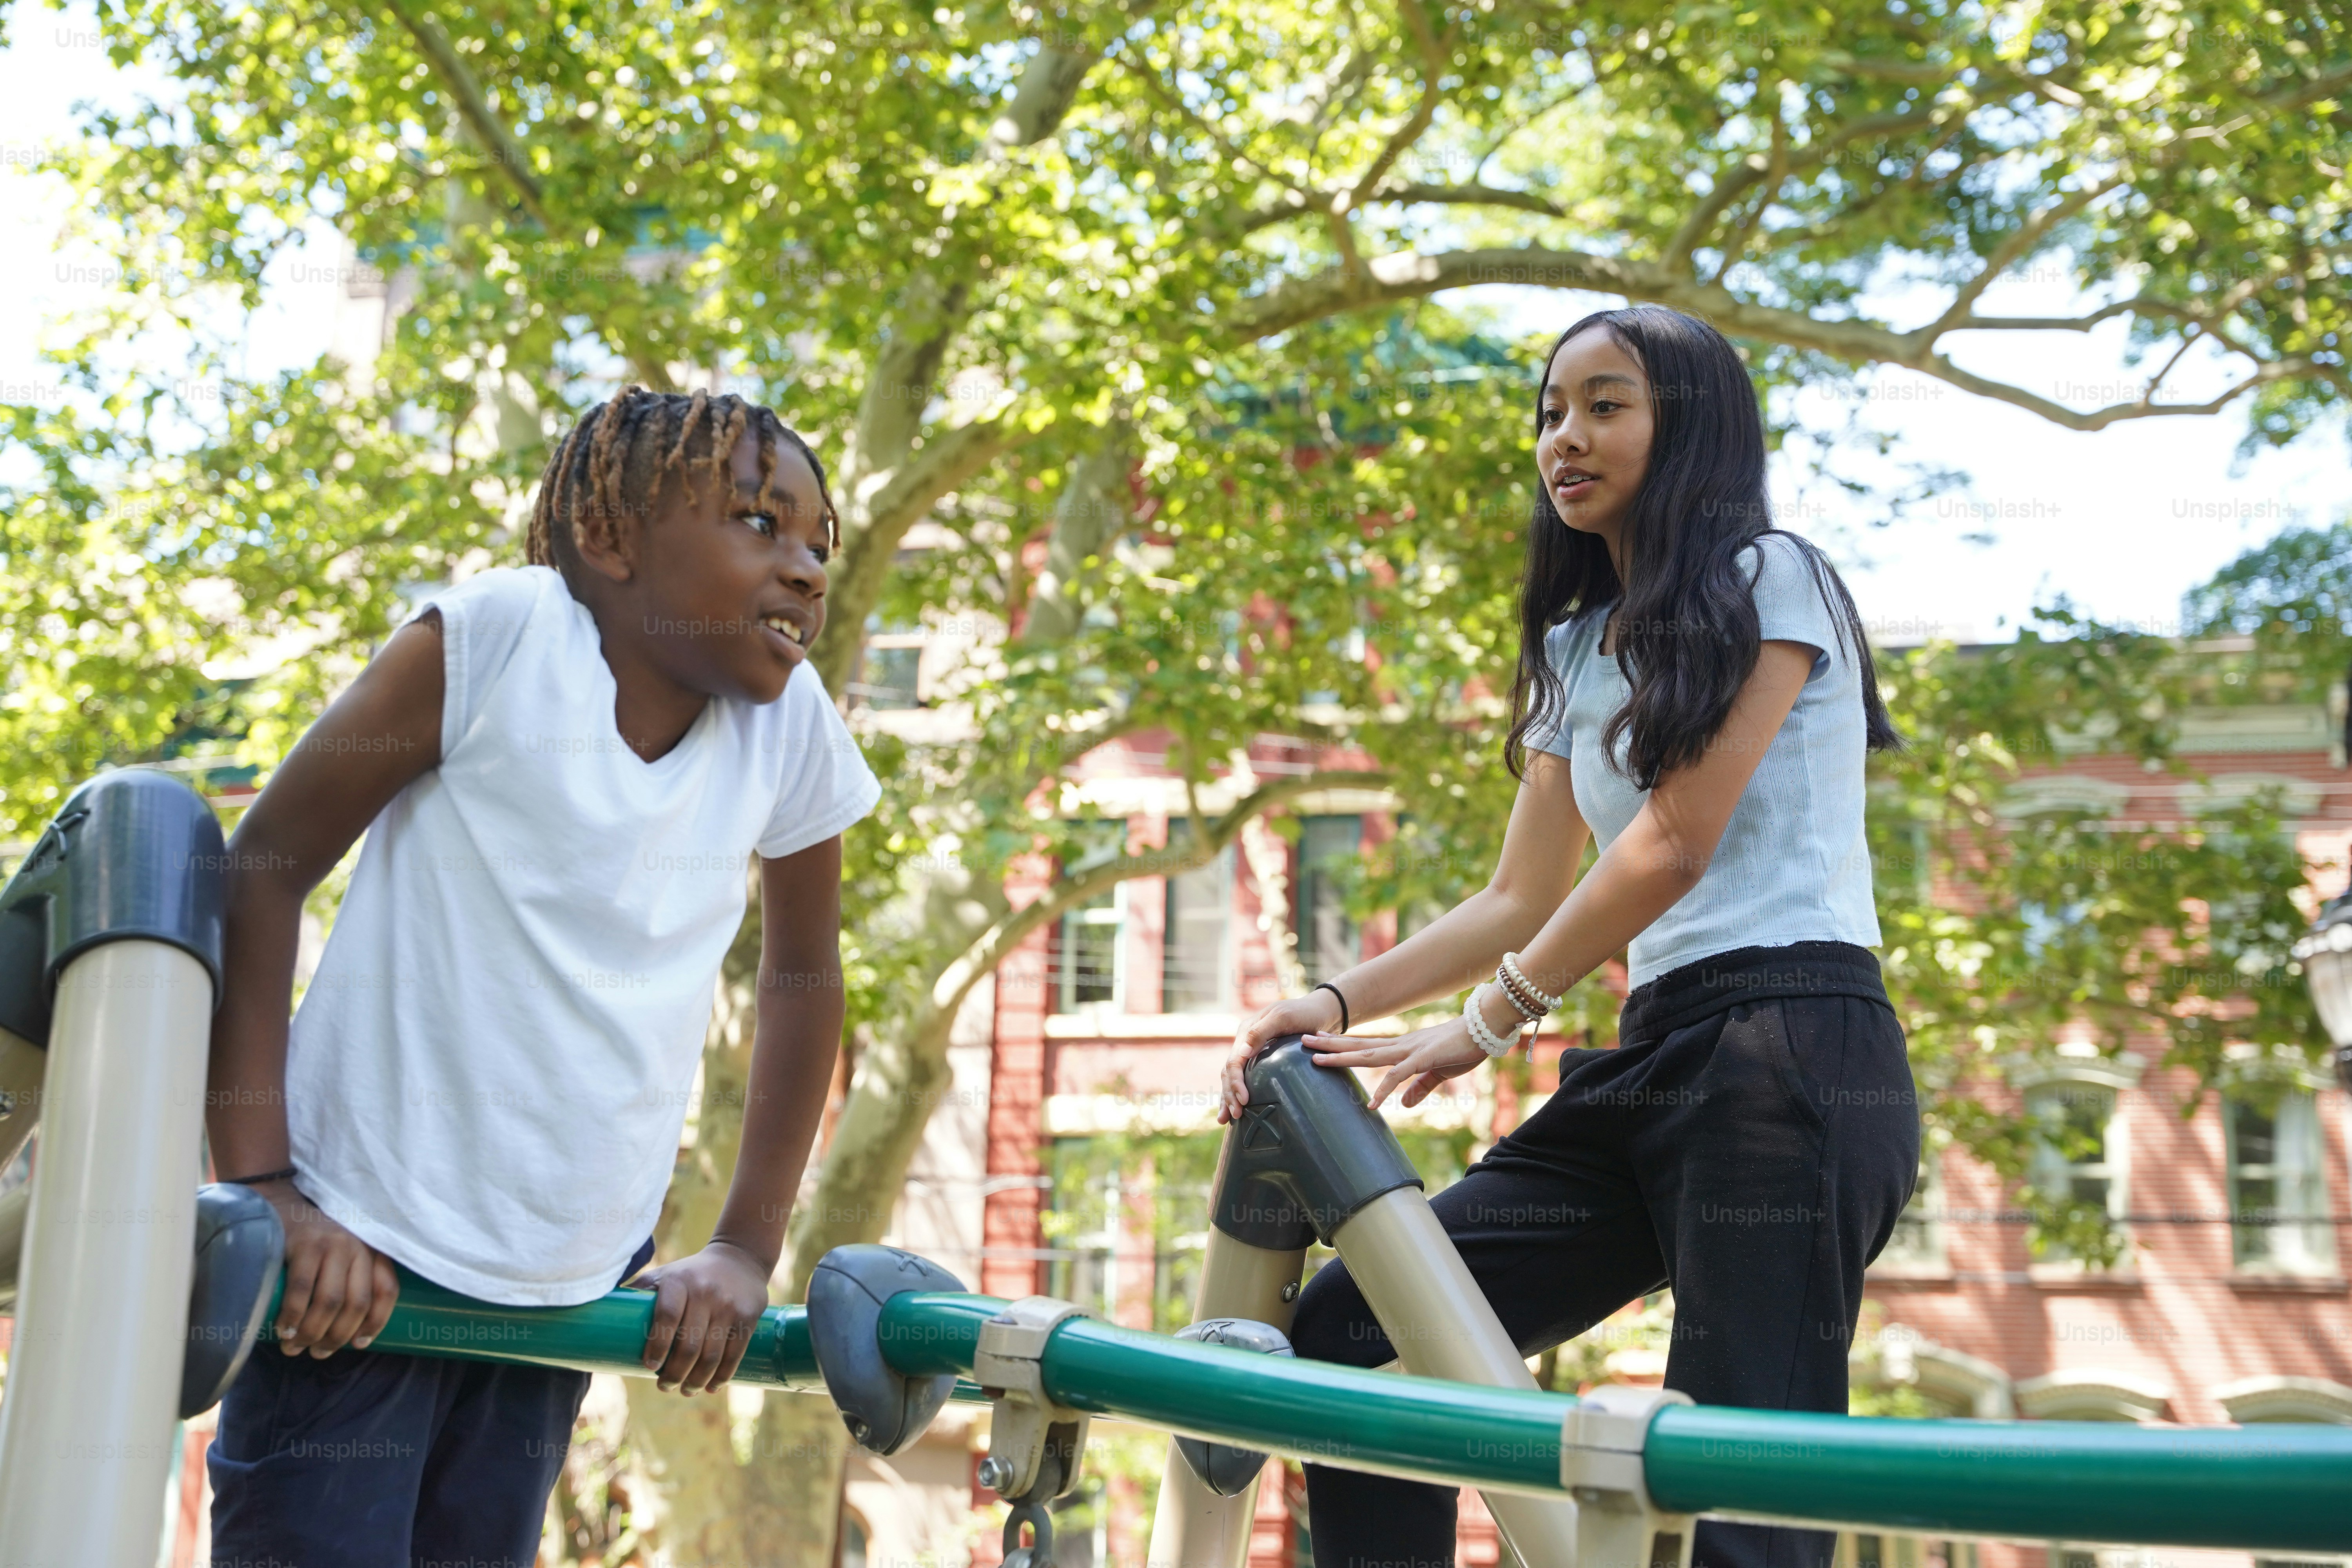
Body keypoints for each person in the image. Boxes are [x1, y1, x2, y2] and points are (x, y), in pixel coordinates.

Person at [1218, 305, 1920, 1568]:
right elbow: (1517, 895)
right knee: (1357, 1331)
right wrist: (1334, 1001)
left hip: (1791, 1046)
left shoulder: (1778, 575)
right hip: (1650, 1061)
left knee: (1741, 1495)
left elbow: (1672, 841)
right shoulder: (1573, 649)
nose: (1565, 438)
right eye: (1551, 411)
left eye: (1607, 404)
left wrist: (1491, 1020)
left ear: (1688, 424)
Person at [201, 386, 880, 1568]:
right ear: (608, 540)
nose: (807, 571)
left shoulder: (792, 729)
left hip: (564, 1287)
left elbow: (804, 983)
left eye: (820, 545)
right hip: (358, 1258)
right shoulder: (500, 640)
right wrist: (265, 1188)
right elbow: (261, 867)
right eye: (759, 525)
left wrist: (743, 1248)